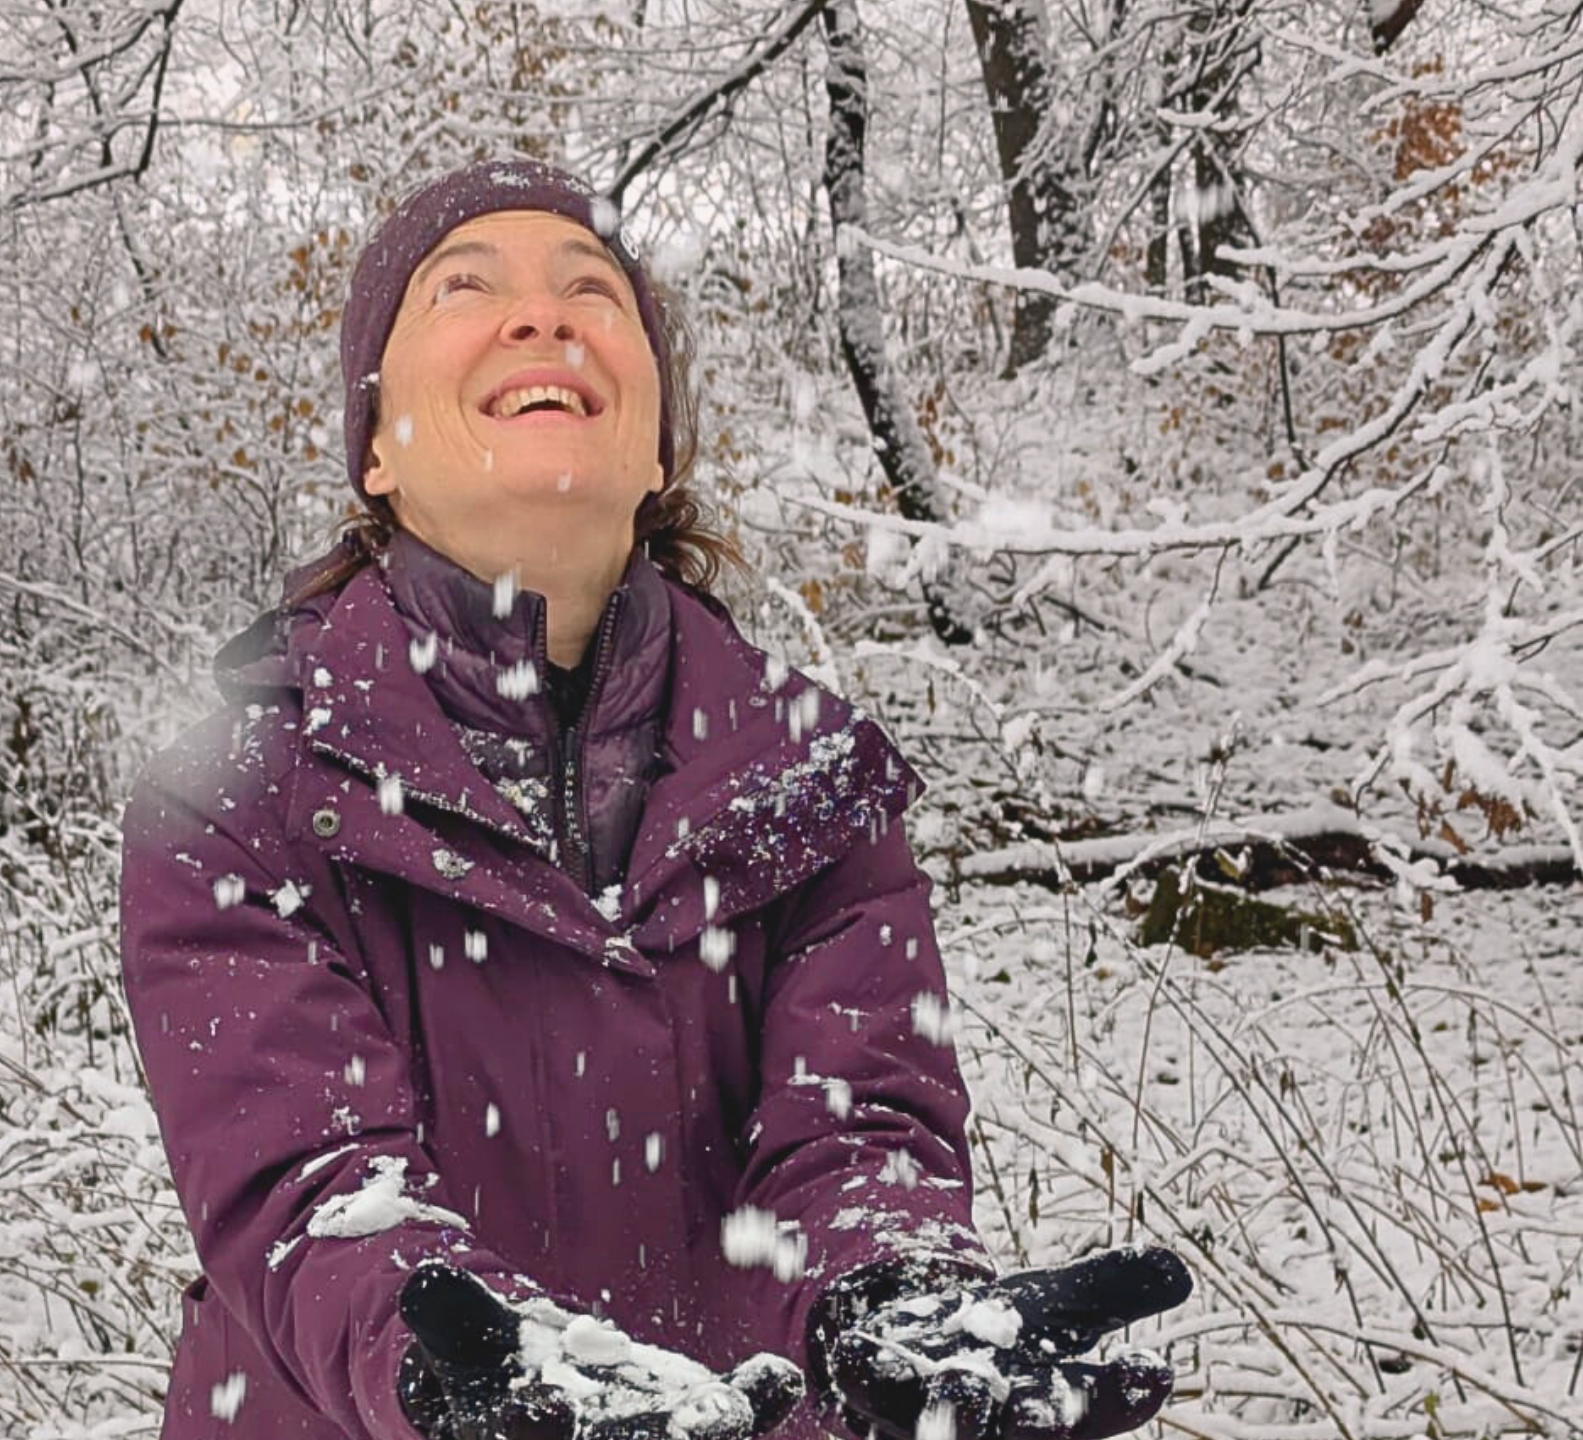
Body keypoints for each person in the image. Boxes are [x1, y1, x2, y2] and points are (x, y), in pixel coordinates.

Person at [119, 158, 1192, 1440]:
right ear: (375, 454)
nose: (541, 315)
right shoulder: (241, 784)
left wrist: (888, 1295)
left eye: (593, 290)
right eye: (465, 288)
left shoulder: (812, 776)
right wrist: (440, 1352)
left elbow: (854, 1137)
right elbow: (305, 1182)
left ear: (657, 445)